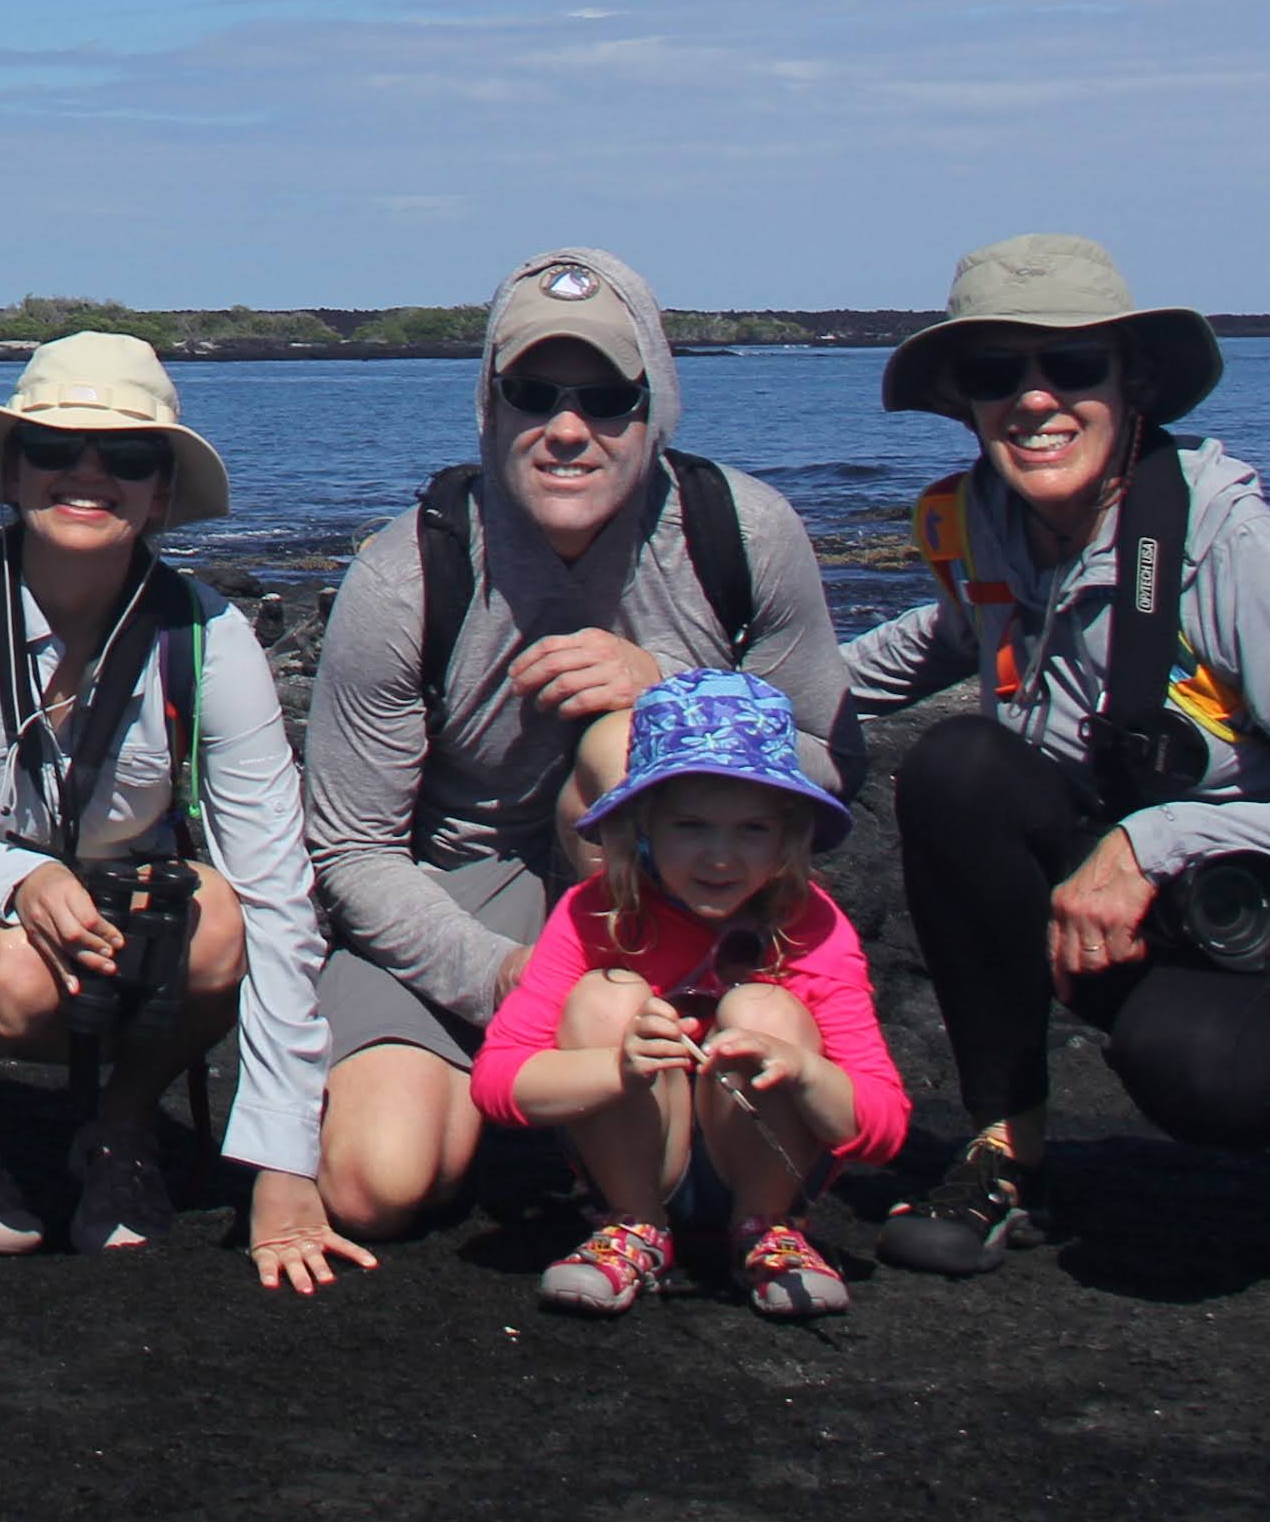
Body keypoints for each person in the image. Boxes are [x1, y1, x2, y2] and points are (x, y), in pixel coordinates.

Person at [846, 235, 1270, 1284]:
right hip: (1139, 903)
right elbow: (953, 636)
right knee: (955, 767)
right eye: (997, 373)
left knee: (1197, 1073)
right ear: (962, 401)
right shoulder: (986, 524)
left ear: (1130, 381)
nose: (1034, 401)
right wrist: (723, 701)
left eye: (1069, 367)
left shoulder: (1227, 544)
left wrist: (1157, 837)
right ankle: (1007, 1146)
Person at [302, 249, 859, 1241]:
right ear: (488, 406)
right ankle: (565, 1089)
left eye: (605, 397)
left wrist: (679, 699)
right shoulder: (405, 577)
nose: (567, 428)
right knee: (372, 1184)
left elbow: (825, 768)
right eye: (532, 392)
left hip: (673, 893)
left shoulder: (744, 534)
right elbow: (350, 849)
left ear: (655, 407)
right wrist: (506, 975)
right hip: (466, 883)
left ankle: (632, 1127)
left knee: (622, 738)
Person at [0, 335, 358, 1287]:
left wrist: (285, 1162)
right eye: (55, 448)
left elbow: (278, 890)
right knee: (13, 970)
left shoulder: (207, 637)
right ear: (11, 469)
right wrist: (19, 877)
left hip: (119, 934)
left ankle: (121, 1128)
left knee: (225, 921)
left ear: (160, 490)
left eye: (128, 457)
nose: (88, 474)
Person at [473, 667, 910, 1321]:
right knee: (607, 994)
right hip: (642, 1151)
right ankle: (635, 1223)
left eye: (752, 830)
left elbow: (883, 1125)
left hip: (765, 1157)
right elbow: (498, 1082)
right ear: (643, 823)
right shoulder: (592, 911)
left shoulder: (813, 924)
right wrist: (617, 1068)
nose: (720, 857)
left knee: (763, 1007)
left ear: (790, 834)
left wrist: (803, 1071)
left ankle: (768, 1228)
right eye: (691, 825)